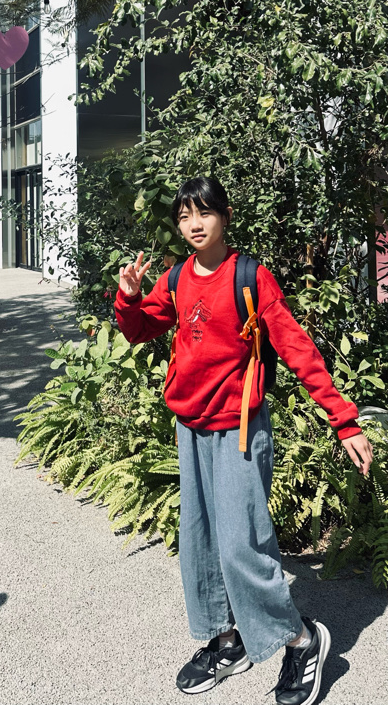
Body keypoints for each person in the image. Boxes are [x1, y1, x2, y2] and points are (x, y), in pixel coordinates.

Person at [114, 176, 373, 705]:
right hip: (191, 426)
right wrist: (130, 297)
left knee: (240, 544)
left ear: (225, 216)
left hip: (238, 429)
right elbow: (139, 329)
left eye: (204, 213)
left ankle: (301, 640)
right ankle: (227, 638)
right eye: (185, 216)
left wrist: (343, 419)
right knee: (201, 542)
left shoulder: (250, 277)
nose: (193, 224)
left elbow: (297, 349)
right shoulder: (177, 277)